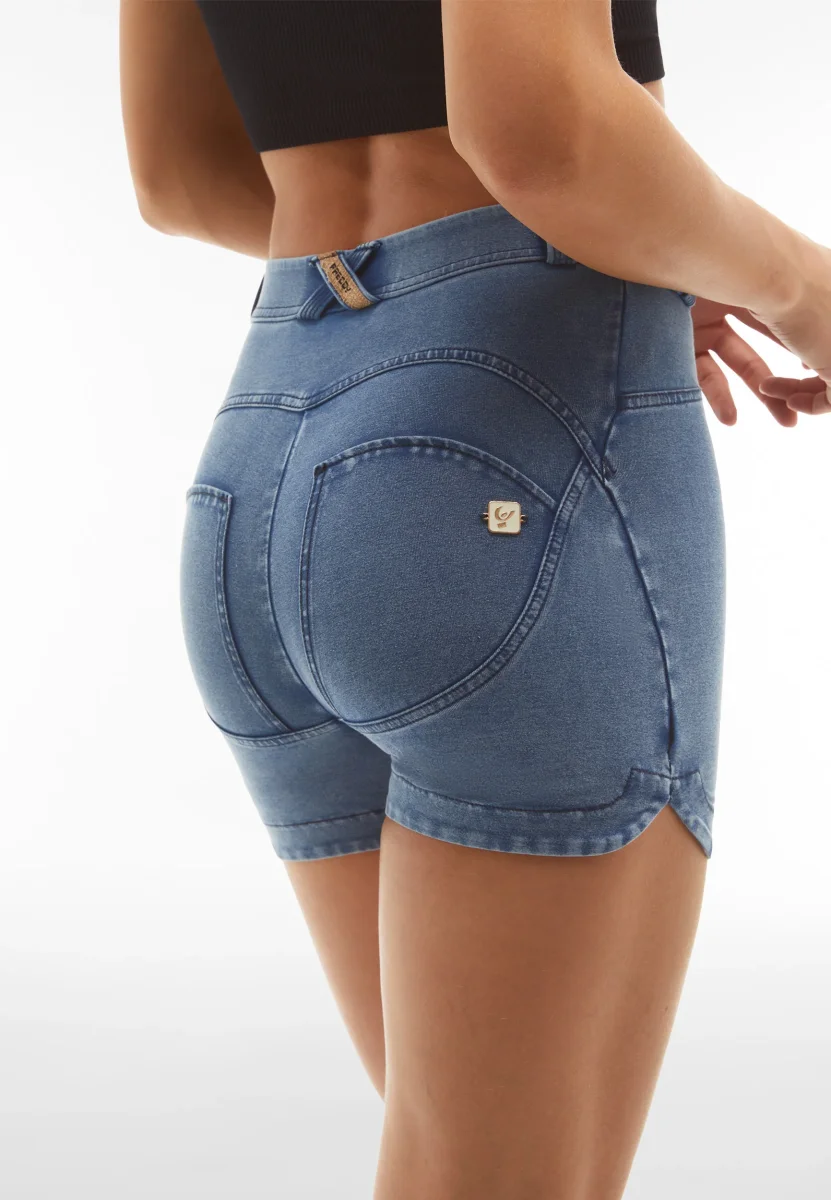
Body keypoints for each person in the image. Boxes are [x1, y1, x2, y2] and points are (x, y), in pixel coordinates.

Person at [119, 3, 831, 1196]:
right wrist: (805, 288)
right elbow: (543, 135)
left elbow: (178, 171)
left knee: (458, 1165)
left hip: (266, 452)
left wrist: (635, 231)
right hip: (510, 445)